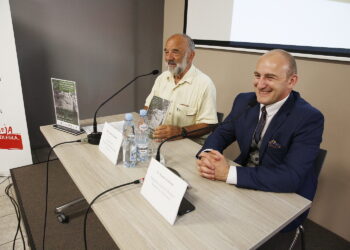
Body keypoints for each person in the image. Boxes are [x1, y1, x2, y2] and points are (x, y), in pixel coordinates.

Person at [196, 49, 324, 232]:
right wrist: (207, 156)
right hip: (242, 183)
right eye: (257, 75)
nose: (260, 84)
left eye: (270, 77)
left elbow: (291, 177)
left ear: (292, 81)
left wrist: (228, 174)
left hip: (282, 196)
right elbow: (221, 133)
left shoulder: (308, 118)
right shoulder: (244, 100)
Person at [144, 34, 217, 143]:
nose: (169, 58)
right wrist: (146, 121)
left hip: (188, 146)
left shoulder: (204, 83)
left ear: (191, 56)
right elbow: (148, 108)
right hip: (160, 142)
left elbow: (208, 125)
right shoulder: (162, 78)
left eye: (175, 52)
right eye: (166, 52)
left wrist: (180, 131)